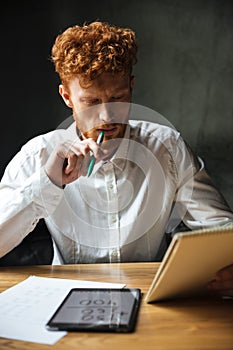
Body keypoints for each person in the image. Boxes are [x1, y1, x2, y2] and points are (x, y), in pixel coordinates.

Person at [0, 21, 233, 296]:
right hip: (65, 297)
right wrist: (48, 183)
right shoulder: (37, 154)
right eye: (91, 101)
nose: (107, 117)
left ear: (131, 87)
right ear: (67, 97)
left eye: (117, 97)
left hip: (151, 298)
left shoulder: (168, 147)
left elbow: (221, 232)